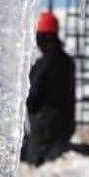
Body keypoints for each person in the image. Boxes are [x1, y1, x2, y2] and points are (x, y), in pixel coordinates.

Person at [26, 11, 76, 166]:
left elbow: (32, 97)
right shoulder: (68, 61)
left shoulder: (43, 64)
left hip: (44, 132)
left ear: (44, 36)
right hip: (64, 129)